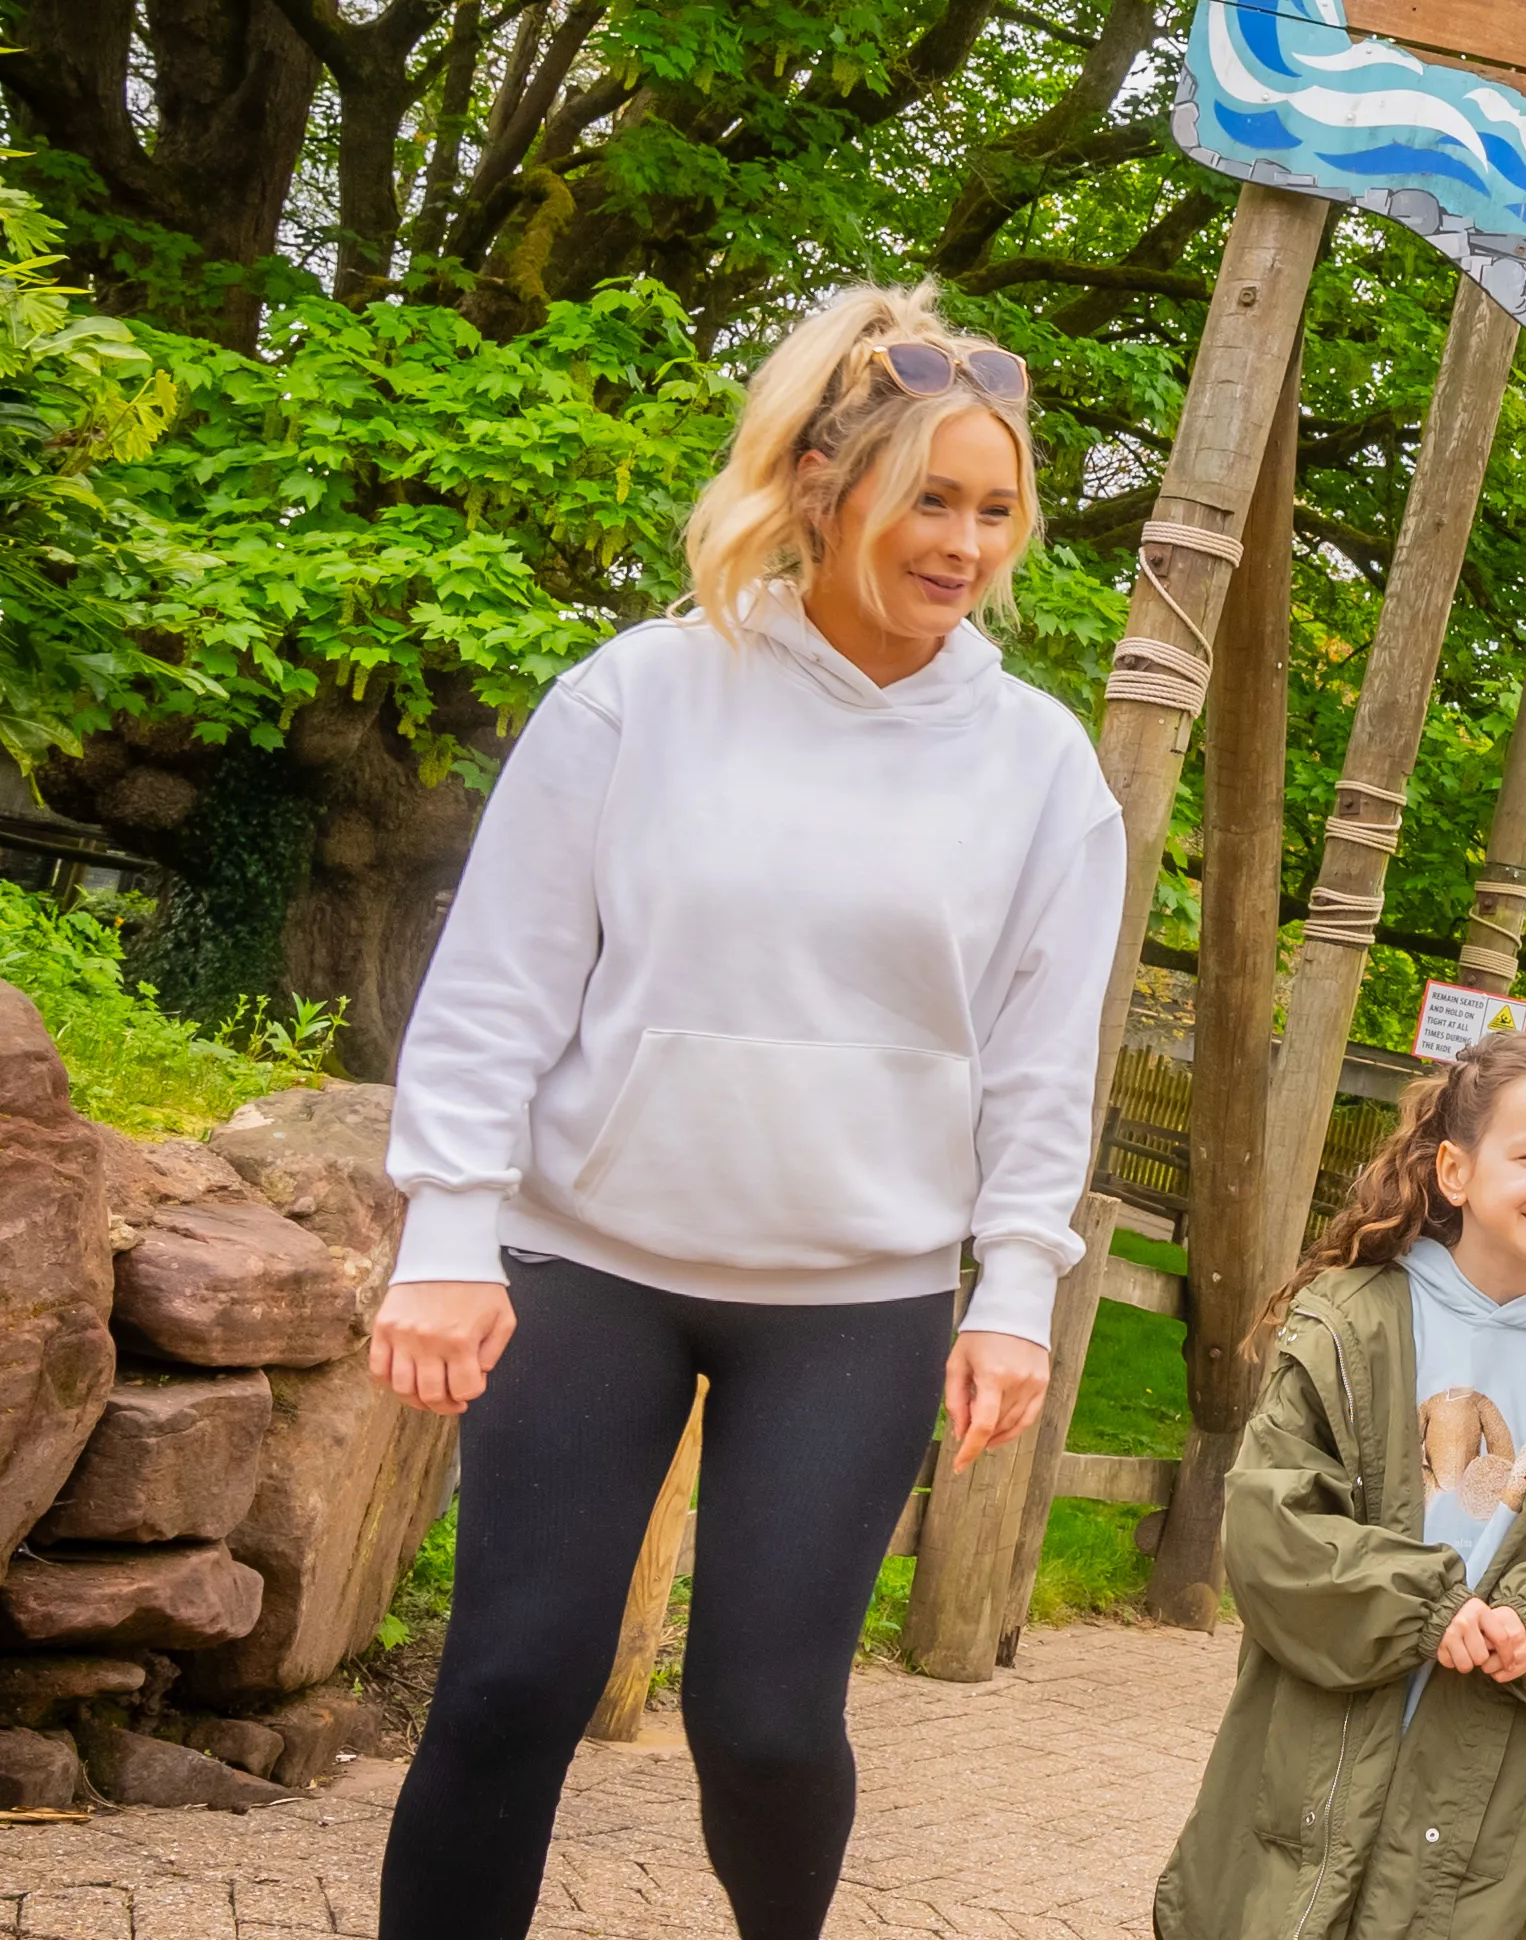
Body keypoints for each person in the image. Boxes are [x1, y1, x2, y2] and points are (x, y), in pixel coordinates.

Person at [367, 284, 1127, 1940]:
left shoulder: (1041, 764)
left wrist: (1013, 1290)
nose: (968, 540)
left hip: (853, 1291)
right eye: (932, 494)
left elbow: (1038, 1055)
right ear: (820, 489)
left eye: (998, 508)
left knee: (767, 1724)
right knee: (509, 1674)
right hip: (588, 1256)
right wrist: (445, 1230)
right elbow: (499, 979)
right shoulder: (642, 692)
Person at [1156, 1029, 1526, 1940]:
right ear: (1455, 1170)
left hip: (1499, 1761)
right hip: (1318, 1728)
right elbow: (1272, 1521)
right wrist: (1420, 1607)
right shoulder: (1352, 1319)